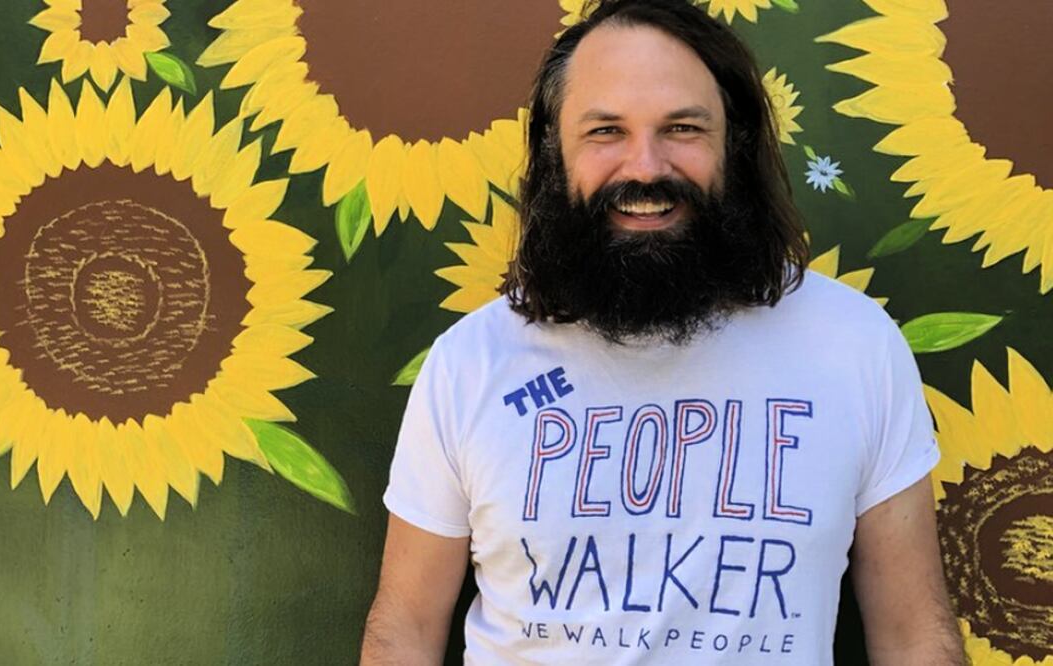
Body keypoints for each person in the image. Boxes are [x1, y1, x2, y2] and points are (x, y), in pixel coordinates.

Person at [361, 1, 965, 663]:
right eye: (605, 132)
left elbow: (914, 638)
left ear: (733, 144)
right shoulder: (469, 364)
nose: (646, 168)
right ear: (555, 153)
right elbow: (406, 630)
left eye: (682, 128)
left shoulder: (855, 346)